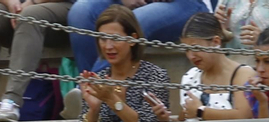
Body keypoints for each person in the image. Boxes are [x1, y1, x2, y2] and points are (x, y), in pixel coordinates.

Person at [151, 10, 256, 122]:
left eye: (196, 48)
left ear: (216, 42)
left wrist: (201, 111)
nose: (191, 56)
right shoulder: (190, 77)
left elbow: (244, 117)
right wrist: (166, 120)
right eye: (187, 49)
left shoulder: (242, 73)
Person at [69, 6, 168, 122]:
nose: (108, 46)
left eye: (115, 38)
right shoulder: (99, 78)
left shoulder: (155, 76)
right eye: (103, 39)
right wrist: (94, 109)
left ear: (132, 39)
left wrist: (113, 101)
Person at [67, 0, 205, 74]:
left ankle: (91, 92)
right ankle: (91, 88)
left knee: (132, 21)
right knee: (82, 11)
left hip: (183, 3)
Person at [0, 0, 70, 122]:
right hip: (17, 11)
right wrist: (10, 2)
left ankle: (12, 100)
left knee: (30, 14)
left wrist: (32, 1)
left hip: (63, 7)